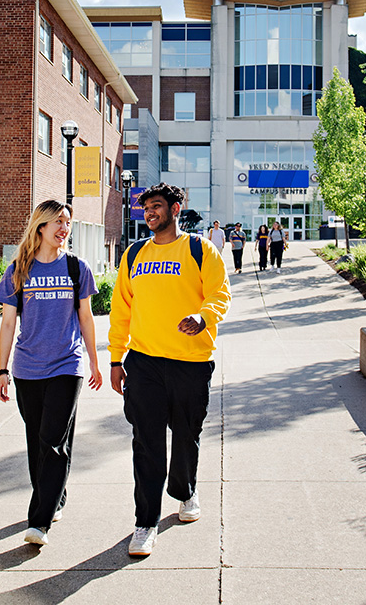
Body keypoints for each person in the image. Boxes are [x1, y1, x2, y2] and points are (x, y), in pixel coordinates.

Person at [109, 182, 231, 557]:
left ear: (176, 210)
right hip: (144, 363)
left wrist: (203, 315)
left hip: (190, 363)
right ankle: (145, 522)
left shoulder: (200, 249)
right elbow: (121, 311)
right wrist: (116, 358)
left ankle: (185, 491)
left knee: (185, 436)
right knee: (146, 443)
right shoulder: (132, 256)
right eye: (146, 208)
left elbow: (220, 293)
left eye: (158, 206)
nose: (150, 213)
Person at [0, 200, 102, 547]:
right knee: (38, 441)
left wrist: (96, 362)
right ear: (40, 226)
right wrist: (2, 370)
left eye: (68, 222)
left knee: (52, 441)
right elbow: (8, 322)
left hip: (66, 364)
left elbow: (86, 318)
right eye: (58, 221)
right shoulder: (19, 270)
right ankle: (55, 496)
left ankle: (38, 521)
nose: (64, 228)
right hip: (27, 369)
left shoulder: (76, 267)